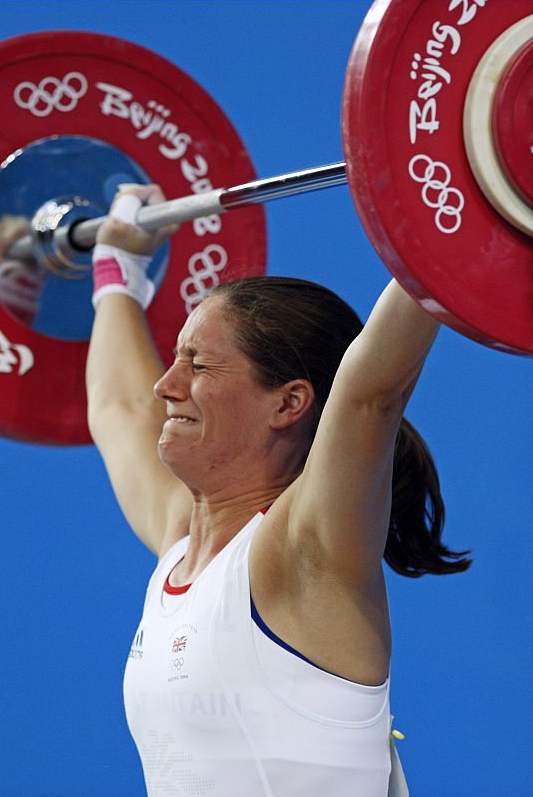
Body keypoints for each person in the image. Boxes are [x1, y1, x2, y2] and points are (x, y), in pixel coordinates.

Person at [86, 184, 471, 797]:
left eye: (199, 365)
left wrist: (458, 199)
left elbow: (372, 392)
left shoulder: (302, 551)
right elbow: (117, 407)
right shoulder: (180, 543)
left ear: (289, 402)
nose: (167, 384)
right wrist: (118, 270)